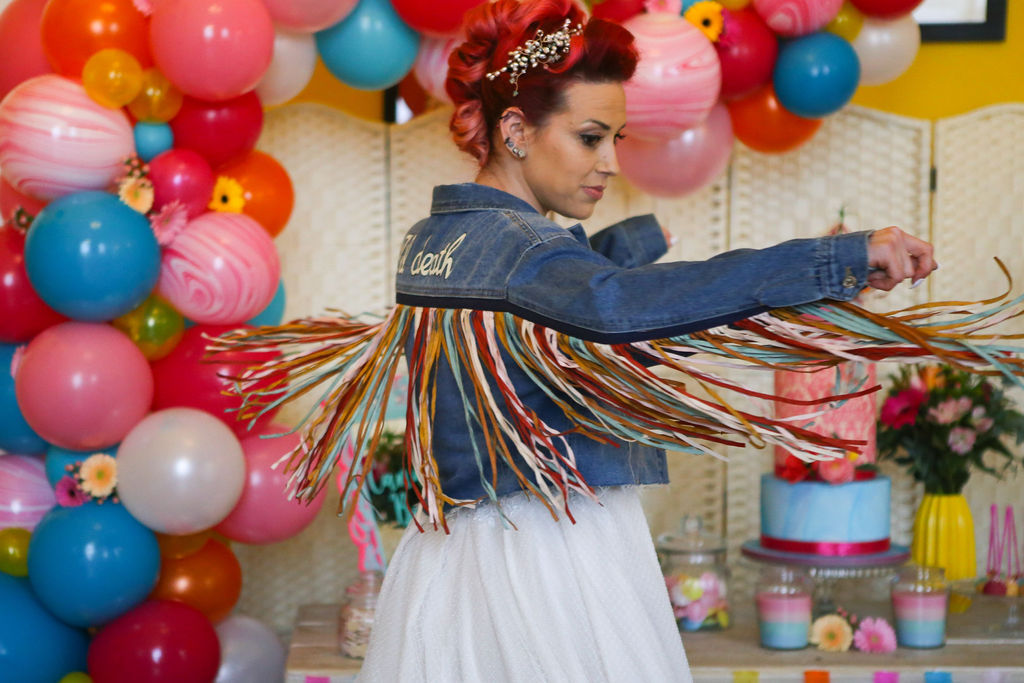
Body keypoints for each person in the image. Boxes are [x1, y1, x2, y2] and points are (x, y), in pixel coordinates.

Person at [213, 1, 1024, 680]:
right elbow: (610, 306)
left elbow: (534, 319)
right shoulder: (527, 253)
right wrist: (837, 258)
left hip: (452, 557)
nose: (608, 162)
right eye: (591, 136)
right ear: (520, 130)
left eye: (617, 140)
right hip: (549, 561)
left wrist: (624, 245)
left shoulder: (434, 239)